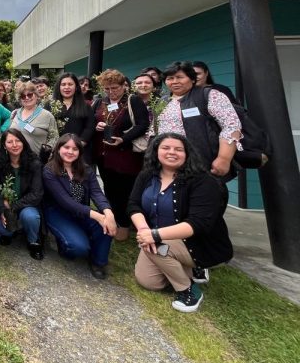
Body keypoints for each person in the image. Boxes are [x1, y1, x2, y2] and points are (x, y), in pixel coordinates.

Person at [129, 133, 233, 312]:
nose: (172, 152)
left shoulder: (203, 181)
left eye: (178, 149)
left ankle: (188, 289)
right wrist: (144, 229)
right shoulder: (147, 175)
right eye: (165, 148)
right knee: (149, 282)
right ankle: (188, 269)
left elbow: (198, 224)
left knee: (155, 246)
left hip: (196, 242)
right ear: (156, 151)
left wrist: (154, 235)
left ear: (187, 153)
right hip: (157, 235)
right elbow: (133, 205)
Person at [43, 134, 117, 279]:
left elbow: (97, 193)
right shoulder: (49, 171)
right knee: (78, 248)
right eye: (66, 147)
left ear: (80, 152)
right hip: (58, 213)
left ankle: (98, 261)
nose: (70, 152)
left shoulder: (85, 169)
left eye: (75, 149)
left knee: (107, 226)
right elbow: (65, 202)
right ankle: (65, 245)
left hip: (81, 212)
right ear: (58, 149)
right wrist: (98, 216)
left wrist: (108, 214)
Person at [157, 61, 242, 182]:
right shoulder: (163, 102)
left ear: (192, 79)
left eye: (180, 77)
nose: (175, 81)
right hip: (170, 165)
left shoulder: (210, 95)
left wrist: (224, 158)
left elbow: (231, 126)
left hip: (203, 164)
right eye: (170, 78)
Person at [92, 69, 149, 240]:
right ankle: (113, 220)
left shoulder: (133, 100)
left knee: (126, 191)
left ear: (124, 85)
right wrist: (98, 126)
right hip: (104, 155)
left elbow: (142, 124)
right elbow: (94, 121)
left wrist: (123, 139)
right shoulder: (100, 102)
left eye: (115, 88)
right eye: (107, 88)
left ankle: (124, 224)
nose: (111, 92)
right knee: (109, 188)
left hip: (125, 155)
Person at [0, 128, 44, 259]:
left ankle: (33, 241)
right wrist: (2, 209)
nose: (14, 145)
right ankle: (14, 231)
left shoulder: (34, 163)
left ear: (23, 142)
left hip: (27, 205)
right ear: (4, 145)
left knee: (30, 217)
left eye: (18, 141)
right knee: (4, 230)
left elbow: (36, 194)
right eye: (10, 142)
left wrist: (13, 207)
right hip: (6, 206)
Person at [8, 81, 58, 162]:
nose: (27, 98)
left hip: (37, 161)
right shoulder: (15, 114)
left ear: (36, 96)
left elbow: (55, 137)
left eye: (30, 95)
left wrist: (48, 152)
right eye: (23, 96)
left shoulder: (47, 115)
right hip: (15, 161)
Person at [48, 72, 95, 153]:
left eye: (70, 84)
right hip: (56, 150)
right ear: (59, 87)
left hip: (78, 150)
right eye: (63, 84)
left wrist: (79, 145)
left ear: (76, 87)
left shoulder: (85, 106)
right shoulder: (50, 105)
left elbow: (89, 127)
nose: (67, 87)